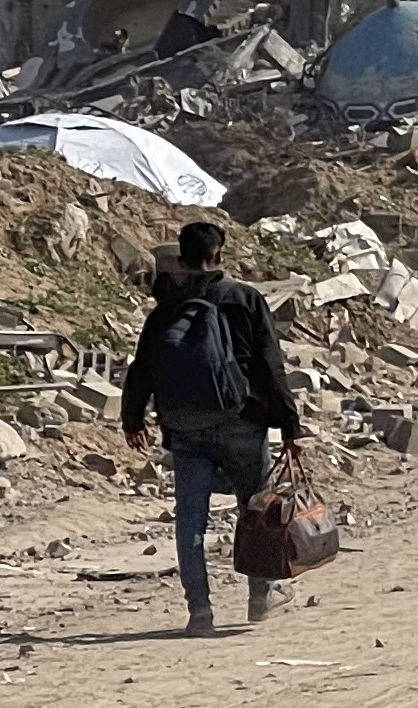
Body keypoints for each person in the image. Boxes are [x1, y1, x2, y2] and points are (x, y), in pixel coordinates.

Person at [120, 220, 306, 637]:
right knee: (254, 510)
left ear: (181, 259)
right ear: (219, 256)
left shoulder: (166, 309)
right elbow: (270, 366)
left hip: (185, 428)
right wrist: (290, 426)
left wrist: (133, 419)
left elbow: (142, 367)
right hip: (243, 423)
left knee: (190, 519)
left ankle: (199, 611)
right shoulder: (245, 298)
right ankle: (261, 596)